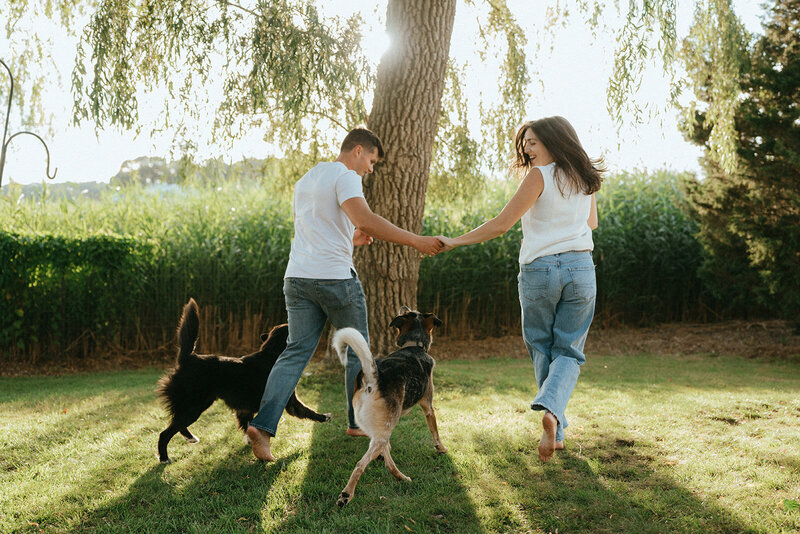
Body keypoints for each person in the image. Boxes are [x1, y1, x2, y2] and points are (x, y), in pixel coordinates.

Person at [247, 127, 444, 461]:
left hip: (297, 278)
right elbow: (364, 220)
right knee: (359, 351)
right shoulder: (346, 175)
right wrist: (416, 241)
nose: (370, 168)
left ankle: (262, 427)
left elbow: (313, 230)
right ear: (357, 150)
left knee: (294, 353)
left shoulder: (307, 179)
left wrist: (349, 240)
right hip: (335, 279)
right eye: (370, 160)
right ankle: (357, 423)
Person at [439, 116, 602, 462]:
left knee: (542, 346)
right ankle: (555, 425)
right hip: (580, 268)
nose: (527, 150)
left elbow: (501, 224)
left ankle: (552, 421)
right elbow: (592, 223)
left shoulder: (538, 177)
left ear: (554, 142)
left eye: (533, 142)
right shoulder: (586, 175)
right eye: (525, 143)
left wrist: (455, 241)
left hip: (540, 270)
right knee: (569, 351)